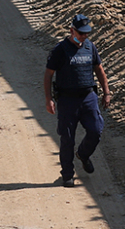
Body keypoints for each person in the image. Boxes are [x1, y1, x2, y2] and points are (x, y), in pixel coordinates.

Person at [43, 14, 112, 187]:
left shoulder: (90, 47)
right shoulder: (60, 50)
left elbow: (99, 70)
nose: (84, 36)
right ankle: (67, 174)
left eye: (87, 33)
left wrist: (106, 92)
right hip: (67, 100)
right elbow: (48, 74)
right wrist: (48, 99)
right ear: (71, 30)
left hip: (88, 98)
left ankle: (83, 154)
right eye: (81, 33)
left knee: (96, 130)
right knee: (67, 138)